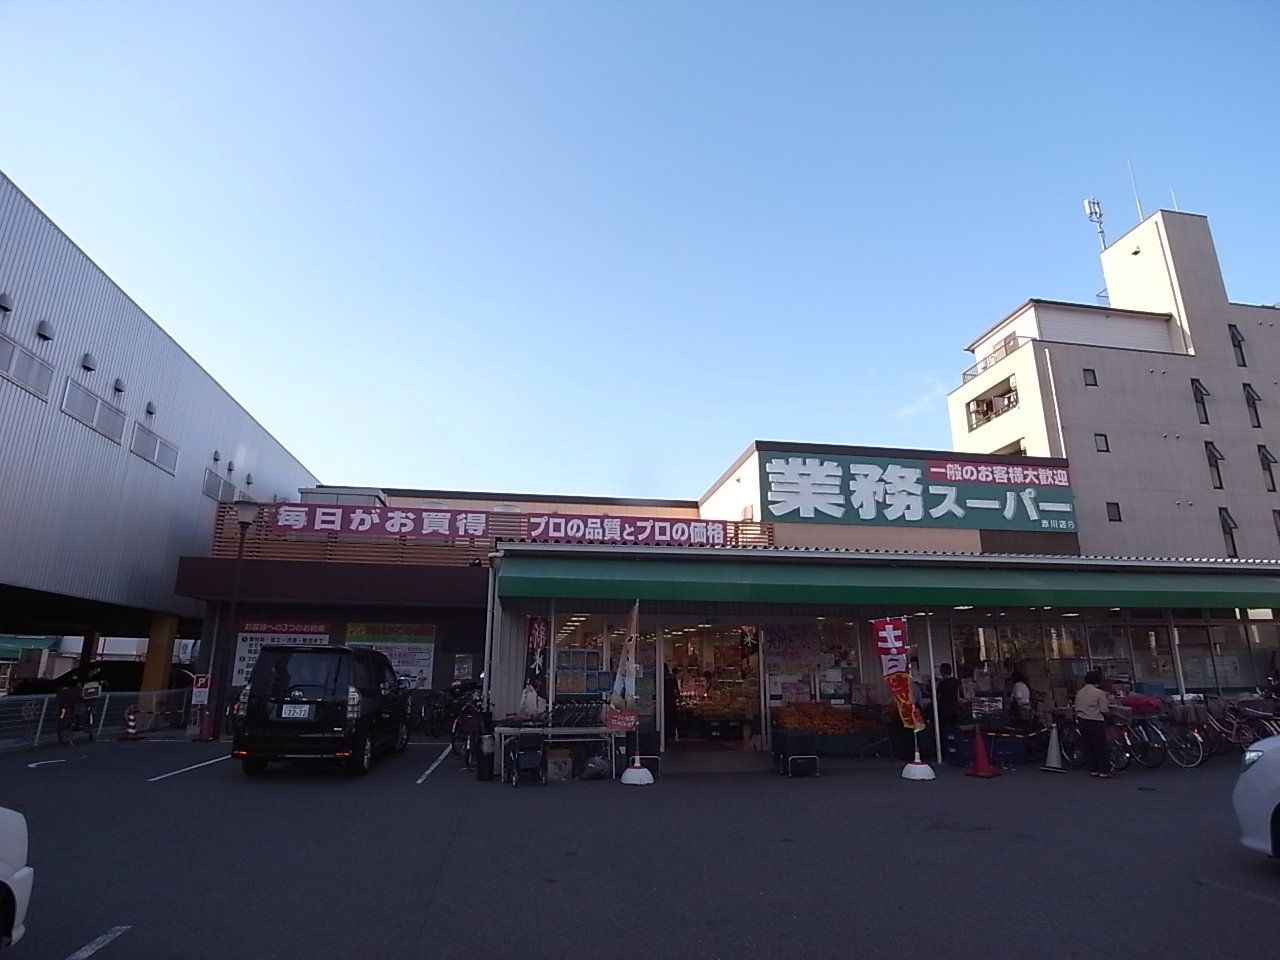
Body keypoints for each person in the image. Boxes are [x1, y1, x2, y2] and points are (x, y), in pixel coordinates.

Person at [1074, 670, 1114, 778]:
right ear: (1098, 681)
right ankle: (1104, 771)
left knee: (1088, 746)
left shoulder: (1080, 692)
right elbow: (1104, 710)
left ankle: (1093, 769)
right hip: (1095, 720)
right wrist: (1110, 717)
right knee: (1100, 746)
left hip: (1082, 720)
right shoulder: (1099, 693)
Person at [935, 663, 961, 736]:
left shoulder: (942, 684)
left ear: (942, 672)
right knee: (953, 729)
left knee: (944, 730)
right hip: (954, 709)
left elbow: (938, 696)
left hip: (944, 710)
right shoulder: (955, 681)